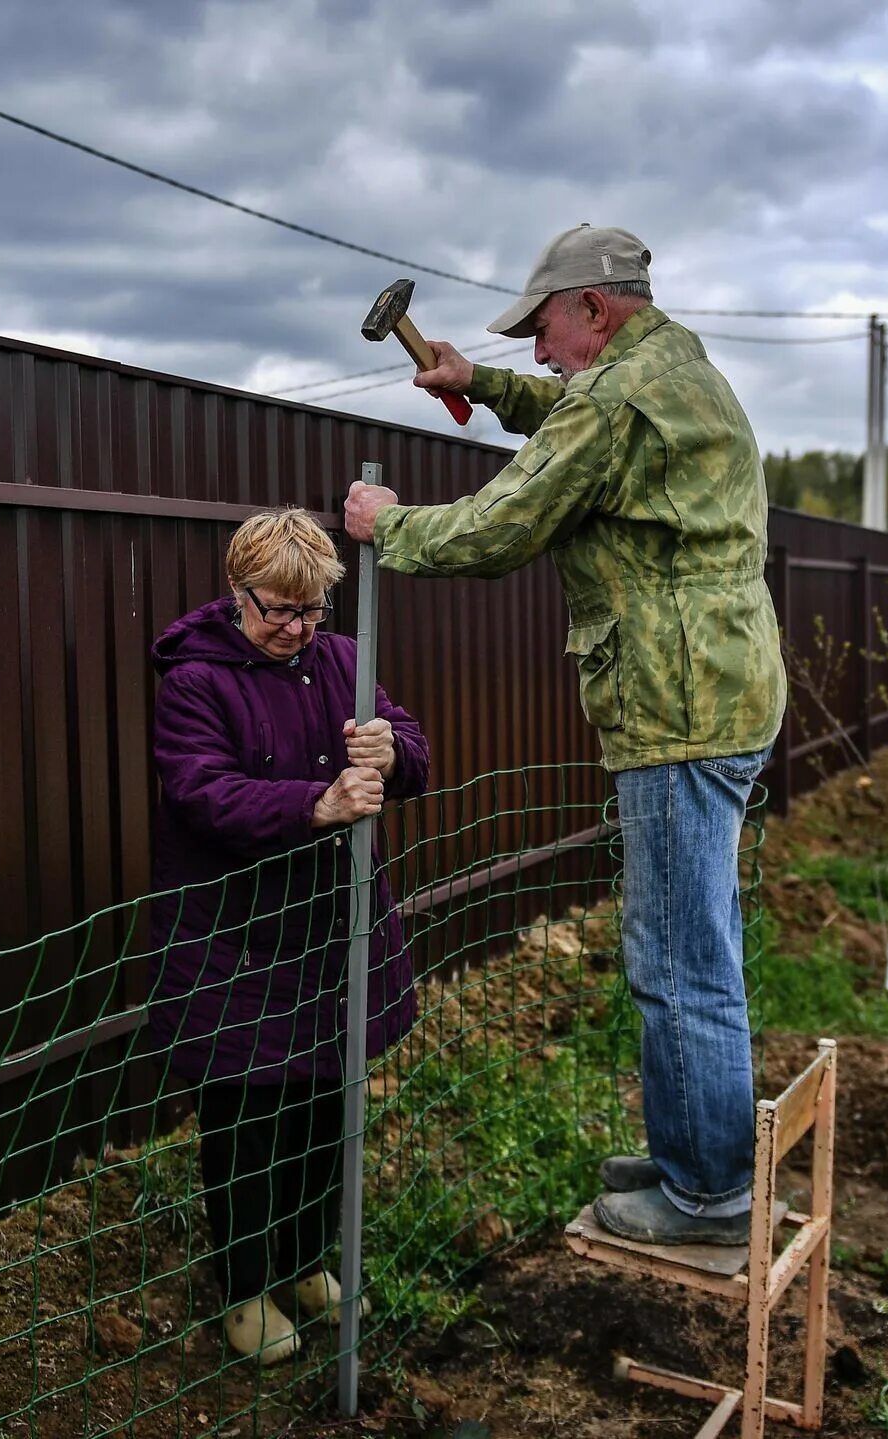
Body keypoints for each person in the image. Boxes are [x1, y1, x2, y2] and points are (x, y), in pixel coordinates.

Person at [343, 224, 785, 1247]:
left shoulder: (619, 396)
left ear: (595, 307)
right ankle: (694, 1152)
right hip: (720, 686)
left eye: (543, 331)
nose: (536, 354)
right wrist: (481, 384)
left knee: (676, 960)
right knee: (692, 945)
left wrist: (389, 525)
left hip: (676, 704)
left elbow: (504, 523)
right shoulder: (669, 365)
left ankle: (710, 1194)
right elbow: (575, 410)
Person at [144, 507, 429, 1364]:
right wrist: (316, 803)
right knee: (246, 1125)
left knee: (324, 1109)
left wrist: (389, 750)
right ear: (238, 593)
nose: (295, 630)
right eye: (278, 610)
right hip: (235, 940)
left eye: (310, 613)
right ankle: (244, 1289)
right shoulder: (194, 681)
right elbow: (201, 792)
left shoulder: (342, 661)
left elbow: (412, 748)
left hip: (332, 934)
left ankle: (305, 1260)